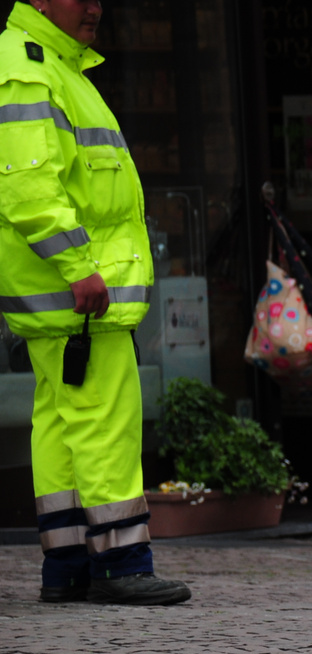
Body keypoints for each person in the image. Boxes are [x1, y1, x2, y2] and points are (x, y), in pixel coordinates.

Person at [0, 0, 188, 603]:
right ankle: (121, 563)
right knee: (105, 422)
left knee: (61, 425)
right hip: (81, 293)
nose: (96, 7)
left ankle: (70, 564)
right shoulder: (32, 68)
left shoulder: (51, 66)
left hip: (66, 295)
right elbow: (27, 187)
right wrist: (78, 266)